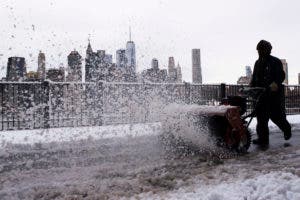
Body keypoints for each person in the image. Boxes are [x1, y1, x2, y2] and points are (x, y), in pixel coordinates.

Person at [250, 40, 291, 148]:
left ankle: (287, 129)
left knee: (276, 116)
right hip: (261, 94)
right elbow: (254, 77)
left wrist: (275, 84)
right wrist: (251, 87)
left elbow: (281, 76)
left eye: (262, 50)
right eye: (258, 50)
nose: (260, 52)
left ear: (268, 50)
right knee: (261, 118)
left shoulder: (275, 61)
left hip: (273, 95)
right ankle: (263, 139)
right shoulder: (257, 63)